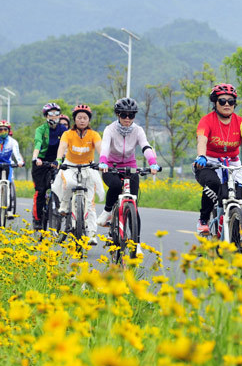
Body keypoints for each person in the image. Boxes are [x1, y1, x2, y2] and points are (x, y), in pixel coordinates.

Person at [98, 98, 161, 253]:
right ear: (118, 114)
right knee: (115, 185)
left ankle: (136, 243)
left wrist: (152, 162)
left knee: (133, 204)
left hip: (130, 168)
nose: (127, 118)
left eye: (131, 115)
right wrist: (103, 162)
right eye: (124, 115)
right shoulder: (110, 129)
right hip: (110, 167)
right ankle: (107, 212)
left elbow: (145, 146)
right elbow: (105, 146)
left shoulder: (138, 130)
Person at [193, 84, 242, 235]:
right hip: (209, 161)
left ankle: (232, 222)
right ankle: (204, 220)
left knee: (238, 193)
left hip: (232, 161)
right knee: (213, 184)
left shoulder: (241, 122)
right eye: (222, 101)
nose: (227, 104)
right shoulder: (206, 121)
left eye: (231, 101)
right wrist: (201, 156)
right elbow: (202, 141)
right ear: (215, 102)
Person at [52, 104, 105, 245]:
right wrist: (58, 160)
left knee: (90, 202)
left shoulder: (94, 134)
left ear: (89, 120)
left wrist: (103, 161)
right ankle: (64, 204)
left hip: (88, 167)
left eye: (85, 118)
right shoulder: (68, 134)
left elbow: (100, 148)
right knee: (69, 183)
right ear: (74, 119)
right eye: (79, 117)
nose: (82, 120)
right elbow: (62, 147)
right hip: (70, 166)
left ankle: (92, 234)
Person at [31, 103, 69, 230]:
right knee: (41, 191)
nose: (54, 116)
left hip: (57, 161)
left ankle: (63, 212)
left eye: (56, 113)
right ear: (46, 116)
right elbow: (38, 144)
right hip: (41, 162)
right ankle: (37, 219)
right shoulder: (41, 129)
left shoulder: (63, 129)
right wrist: (36, 157)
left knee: (63, 187)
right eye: (51, 114)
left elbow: (67, 145)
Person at [0, 120, 25, 212]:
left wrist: (20, 162)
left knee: (9, 182)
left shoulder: (13, 142)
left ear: (8, 130)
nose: (3, 131)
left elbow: (16, 153)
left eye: (5, 129)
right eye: (0, 130)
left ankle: (9, 208)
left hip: (7, 164)